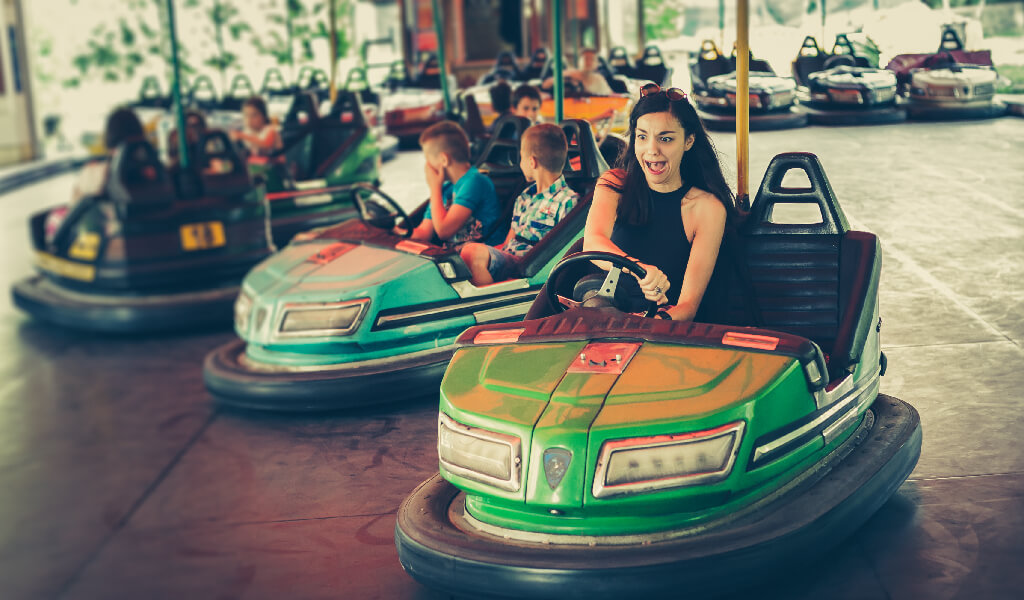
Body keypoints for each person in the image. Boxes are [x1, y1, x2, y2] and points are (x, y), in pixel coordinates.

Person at [582, 84, 737, 322]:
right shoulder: (614, 184)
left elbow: (687, 307)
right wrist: (641, 270)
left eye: (665, 139)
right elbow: (592, 244)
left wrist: (645, 326)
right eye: (642, 137)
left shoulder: (707, 208)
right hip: (602, 315)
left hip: (662, 328)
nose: (651, 150)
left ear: (688, 141)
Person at [459, 123, 578, 286]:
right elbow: (510, 240)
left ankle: (494, 304)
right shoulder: (524, 197)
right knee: (466, 251)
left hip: (533, 266)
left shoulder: (567, 201)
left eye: (520, 158)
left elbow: (563, 253)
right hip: (512, 259)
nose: (520, 163)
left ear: (531, 162)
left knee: (471, 252)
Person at [45, 107, 145, 244]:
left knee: (55, 216)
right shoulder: (157, 172)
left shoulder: (97, 173)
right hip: (149, 236)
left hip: (112, 243)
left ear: (109, 138)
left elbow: (74, 207)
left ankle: (56, 246)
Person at [410, 121, 503, 247]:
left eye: (428, 159)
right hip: (454, 259)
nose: (427, 166)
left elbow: (444, 231)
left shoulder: (475, 181)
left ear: (444, 159)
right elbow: (424, 232)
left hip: (483, 256)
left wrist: (434, 187)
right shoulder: (445, 188)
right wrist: (396, 233)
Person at [543, 48, 613, 96]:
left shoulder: (599, 79)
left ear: (596, 64)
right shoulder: (569, 74)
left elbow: (610, 95)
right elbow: (545, 85)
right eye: (586, 58)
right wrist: (566, 77)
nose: (588, 62)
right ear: (579, 62)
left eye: (592, 59)